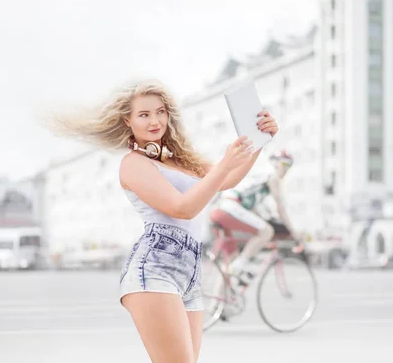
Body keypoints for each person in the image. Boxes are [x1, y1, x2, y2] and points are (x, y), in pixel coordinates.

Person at [49, 79, 279, 363]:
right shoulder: (134, 164)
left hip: (190, 271)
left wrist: (259, 142)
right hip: (155, 267)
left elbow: (227, 179)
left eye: (160, 111)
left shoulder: (182, 160)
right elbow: (182, 208)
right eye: (144, 115)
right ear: (128, 121)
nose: (155, 120)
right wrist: (224, 165)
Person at [209, 149, 298, 278]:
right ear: (275, 163)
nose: (286, 169)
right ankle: (240, 265)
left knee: (230, 265)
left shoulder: (259, 179)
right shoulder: (272, 177)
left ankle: (218, 297)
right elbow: (281, 209)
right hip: (230, 206)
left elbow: (253, 210)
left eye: (289, 166)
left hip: (220, 208)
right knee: (267, 231)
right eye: (284, 164)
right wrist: (293, 232)